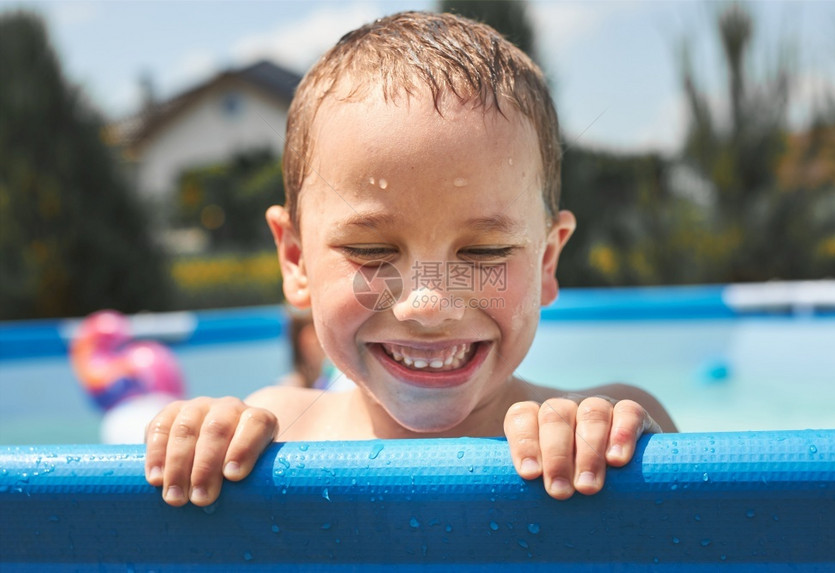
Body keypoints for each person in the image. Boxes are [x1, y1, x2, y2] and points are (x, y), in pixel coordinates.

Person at [145, 11, 677, 508]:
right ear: (295, 259)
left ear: (546, 261)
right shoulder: (274, 434)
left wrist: (623, 453)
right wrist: (197, 439)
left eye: (483, 251)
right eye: (370, 251)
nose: (428, 305)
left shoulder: (604, 428)